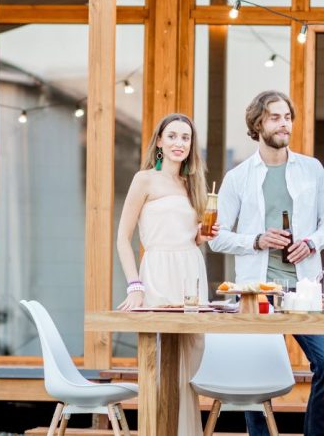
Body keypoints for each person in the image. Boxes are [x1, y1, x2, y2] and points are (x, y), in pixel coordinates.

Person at [209, 90, 324, 436]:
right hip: (256, 291)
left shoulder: (311, 169)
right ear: (258, 124)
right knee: (256, 374)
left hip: (305, 289)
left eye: (287, 117)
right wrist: (256, 240)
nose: (284, 124)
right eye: (275, 118)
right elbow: (215, 235)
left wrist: (311, 243)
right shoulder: (238, 177)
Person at [116, 113, 218, 436]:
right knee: (159, 362)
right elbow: (122, 237)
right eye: (172, 136)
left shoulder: (192, 183)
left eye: (185, 138)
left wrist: (202, 236)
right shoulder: (144, 179)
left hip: (191, 273)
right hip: (158, 272)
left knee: (190, 363)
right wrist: (135, 285)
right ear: (159, 141)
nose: (179, 143)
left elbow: (191, 236)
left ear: (191, 145)